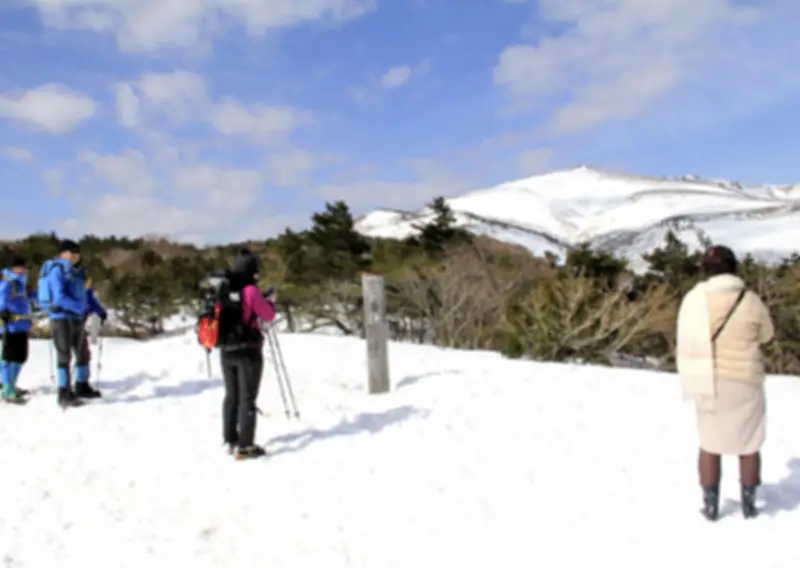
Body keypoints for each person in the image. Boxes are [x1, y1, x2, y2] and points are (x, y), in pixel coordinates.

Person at [676, 245, 775, 521]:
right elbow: (767, 334)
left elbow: (683, 337)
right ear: (734, 267)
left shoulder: (695, 300)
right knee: (750, 442)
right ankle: (749, 503)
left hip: (707, 379)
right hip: (746, 380)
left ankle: (710, 504)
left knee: (710, 443)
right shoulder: (750, 300)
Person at [219, 249, 277, 460]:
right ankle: (246, 445)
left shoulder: (226, 289)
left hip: (226, 349)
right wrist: (270, 300)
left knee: (231, 395)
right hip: (248, 350)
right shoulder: (251, 291)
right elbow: (268, 315)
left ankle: (231, 438)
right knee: (247, 398)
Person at [39, 239, 108, 408]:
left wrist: (99, 310)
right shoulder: (57, 270)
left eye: (77, 253)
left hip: (77, 319)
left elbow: (88, 296)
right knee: (64, 356)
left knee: (83, 353)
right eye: (72, 252)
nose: (75, 256)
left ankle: (82, 385)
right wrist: (80, 308)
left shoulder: (80, 273)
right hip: (61, 319)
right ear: (63, 253)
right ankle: (64, 392)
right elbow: (59, 297)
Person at [0, 256, 36, 403]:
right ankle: (8, 390)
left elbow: (32, 297)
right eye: (23, 267)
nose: (25, 270)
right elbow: (2, 300)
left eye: (26, 267)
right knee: (10, 358)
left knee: (19, 357)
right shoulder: (8, 283)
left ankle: (11, 385)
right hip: (11, 327)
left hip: (22, 326)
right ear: (15, 268)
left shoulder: (21, 285)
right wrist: (2, 314)